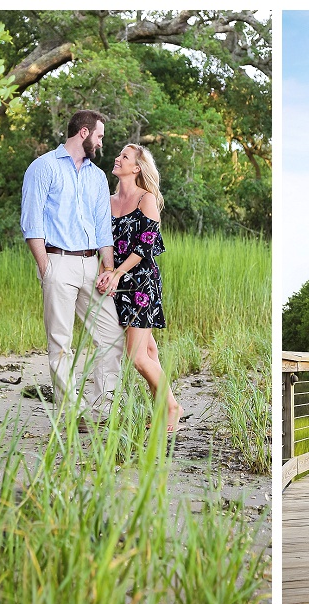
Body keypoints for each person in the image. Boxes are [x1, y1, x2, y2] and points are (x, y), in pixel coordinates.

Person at [20, 109, 124, 431]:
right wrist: (46, 267)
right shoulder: (43, 167)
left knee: (111, 335)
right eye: (100, 136)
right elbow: (32, 222)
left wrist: (108, 268)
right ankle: (71, 412)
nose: (102, 142)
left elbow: (102, 228)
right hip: (58, 262)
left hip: (91, 264)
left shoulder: (97, 176)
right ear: (84, 133)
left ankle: (101, 411)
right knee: (61, 342)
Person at [96, 144, 184, 432]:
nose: (117, 158)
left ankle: (172, 407)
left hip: (141, 282)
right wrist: (106, 272)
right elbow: (102, 241)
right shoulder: (106, 201)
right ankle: (162, 407)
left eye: (124, 156)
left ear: (137, 168)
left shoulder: (146, 199)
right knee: (147, 349)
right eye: (118, 153)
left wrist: (120, 272)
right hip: (116, 281)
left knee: (136, 356)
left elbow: (147, 244)